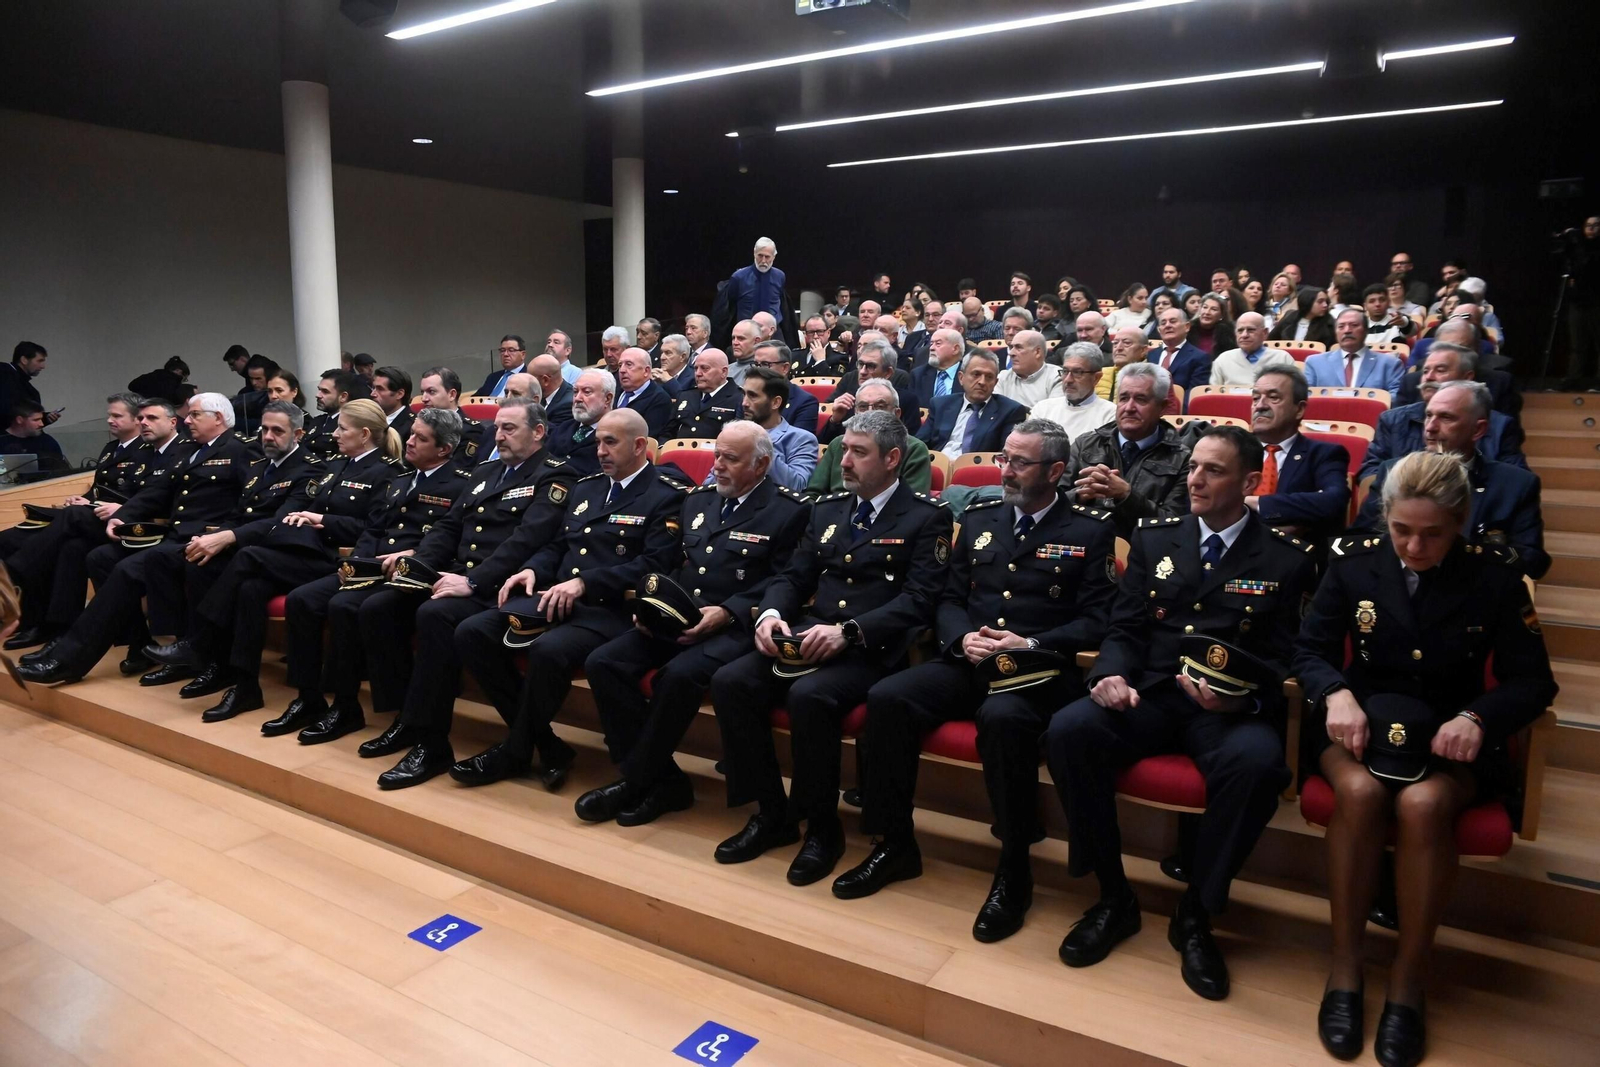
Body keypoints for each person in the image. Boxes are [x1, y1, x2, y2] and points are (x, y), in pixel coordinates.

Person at [1293, 450, 1556, 1065]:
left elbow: (1534, 682)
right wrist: (1334, 694)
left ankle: (1410, 980)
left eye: (1432, 533)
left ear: (1461, 521)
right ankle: (1346, 969)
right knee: (1357, 793)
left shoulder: (1494, 577)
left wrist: (1478, 717)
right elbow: (1308, 650)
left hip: (1449, 734)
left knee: (1423, 801)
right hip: (1359, 727)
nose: (1413, 546)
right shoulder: (1354, 565)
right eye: (1401, 530)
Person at [1048, 426, 1318, 1000]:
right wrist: (1109, 673)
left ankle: (1198, 911)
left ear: (1249, 482)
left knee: (1258, 767)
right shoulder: (1155, 538)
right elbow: (1125, 627)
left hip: (1229, 707)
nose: (1194, 478)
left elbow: (1288, 654)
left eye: (1212, 471)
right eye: (1193, 466)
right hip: (1151, 692)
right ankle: (1113, 896)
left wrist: (1245, 696)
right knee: (1071, 728)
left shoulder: (1285, 557)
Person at [836, 419, 1117, 939]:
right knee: (888, 697)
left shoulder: (1089, 529)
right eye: (1004, 458)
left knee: (1003, 718)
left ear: (1056, 471)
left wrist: (1030, 644)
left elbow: (1098, 620)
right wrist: (960, 638)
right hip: (970, 659)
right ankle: (894, 843)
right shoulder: (983, 518)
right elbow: (947, 598)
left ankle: (1014, 868)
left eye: (1019, 463)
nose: (1004, 471)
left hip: (1036, 672)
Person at [710, 410, 951, 885]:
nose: (845, 461)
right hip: (811, 632)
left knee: (810, 698)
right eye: (844, 450)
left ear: (893, 458)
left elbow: (921, 600)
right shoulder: (826, 509)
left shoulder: (926, 516)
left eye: (859, 452)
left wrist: (851, 631)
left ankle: (823, 829)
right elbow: (793, 576)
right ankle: (772, 812)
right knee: (730, 681)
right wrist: (773, 614)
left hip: (872, 648)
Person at [575, 421, 811, 826]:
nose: (717, 465)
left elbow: (786, 582)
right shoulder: (698, 500)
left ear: (762, 465)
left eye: (730, 459)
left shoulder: (789, 510)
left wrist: (729, 611)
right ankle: (664, 778)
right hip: (681, 615)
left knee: (677, 677)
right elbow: (669, 564)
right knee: (604, 663)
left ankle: (635, 780)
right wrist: (651, 605)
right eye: (716, 454)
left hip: (736, 624)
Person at [447, 409, 684, 793]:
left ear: (640, 445)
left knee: (549, 651)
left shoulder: (665, 495)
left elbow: (655, 565)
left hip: (612, 608)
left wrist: (584, 584)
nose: (601, 450)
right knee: (473, 631)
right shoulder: (588, 487)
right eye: (598, 442)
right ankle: (546, 743)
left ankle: (517, 749)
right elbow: (559, 544)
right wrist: (534, 570)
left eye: (611, 442)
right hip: (556, 594)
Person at [356, 397, 579, 785]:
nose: (499, 435)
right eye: (497, 427)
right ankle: (407, 717)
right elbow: (448, 526)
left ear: (539, 432)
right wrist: (419, 567)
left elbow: (526, 540)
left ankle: (431, 743)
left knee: (435, 615)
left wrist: (473, 582)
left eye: (510, 428)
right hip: (461, 575)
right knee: (381, 605)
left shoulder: (555, 475)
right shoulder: (486, 471)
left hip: (505, 584)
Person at [143, 399, 401, 721]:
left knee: (248, 557)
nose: (334, 433)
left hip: (335, 559)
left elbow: (373, 527)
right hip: (304, 552)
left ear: (364, 434)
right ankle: (247, 686)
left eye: (342, 428)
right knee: (250, 588)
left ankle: (199, 641)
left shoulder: (387, 473)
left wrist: (322, 520)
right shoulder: (335, 465)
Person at [17, 393, 274, 686]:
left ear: (218, 418)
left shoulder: (242, 450)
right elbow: (159, 491)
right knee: (101, 558)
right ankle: (142, 645)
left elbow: (251, 505)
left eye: (195, 414)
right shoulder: (192, 449)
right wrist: (123, 515)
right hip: (175, 537)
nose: (187, 420)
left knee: (128, 569)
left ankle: (67, 660)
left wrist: (223, 536)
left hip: (205, 541)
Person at [265, 407, 473, 742]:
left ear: (444, 449)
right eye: (412, 433)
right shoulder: (402, 479)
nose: (410, 441)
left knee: (349, 607)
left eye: (421, 438)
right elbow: (374, 528)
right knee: (302, 600)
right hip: (373, 566)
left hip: (414, 572)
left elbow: (456, 539)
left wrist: (415, 556)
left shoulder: (461, 484)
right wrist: (357, 565)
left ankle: (381, 711)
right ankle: (309, 697)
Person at [6, 399, 188, 652]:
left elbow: (149, 496)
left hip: (136, 526)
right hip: (108, 515)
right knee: (71, 547)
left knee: (70, 521)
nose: (110, 420)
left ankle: (17, 569)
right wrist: (88, 500)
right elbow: (104, 489)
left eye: (117, 415)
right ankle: (57, 628)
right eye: (108, 415)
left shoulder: (167, 451)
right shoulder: (113, 448)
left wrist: (116, 508)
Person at [1357, 382, 1548, 580]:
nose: (1430, 428)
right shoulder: (1392, 471)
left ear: (1478, 429)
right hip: (1395, 585)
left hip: (1475, 591)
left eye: (1446, 418)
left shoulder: (1515, 485)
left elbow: (1533, 560)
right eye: (1429, 415)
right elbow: (1358, 541)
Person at [1368, 343, 1526, 480]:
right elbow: (1371, 470)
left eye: (1440, 370)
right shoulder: (1392, 420)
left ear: (1467, 377)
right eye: (1425, 371)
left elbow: (1514, 480)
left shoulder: (1500, 426)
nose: (1429, 377)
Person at [1068, 362, 1191, 537]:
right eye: (1124, 398)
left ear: (1162, 407)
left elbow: (1175, 524)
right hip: (1082, 546)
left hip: (1145, 553)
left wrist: (1127, 495)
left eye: (1141, 399)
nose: (1129, 408)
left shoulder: (1182, 458)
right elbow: (1052, 503)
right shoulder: (1085, 444)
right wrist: (1079, 496)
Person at [1245, 364, 1350, 547]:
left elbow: (1333, 501)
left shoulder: (1324, 454)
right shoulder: (1234, 449)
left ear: (1299, 409)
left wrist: (1255, 502)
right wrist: (1299, 513)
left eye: (1273, 398)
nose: (1260, 406)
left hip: (1296, 557)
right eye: (1255, 398)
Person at [806, 380, 932, 498]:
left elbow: (912, 507)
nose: (869, 413)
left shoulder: (913, 449)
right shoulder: (838, 443)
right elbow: (813, 495)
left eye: (880, 407)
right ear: (855, 412)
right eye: (863, 407)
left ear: (896, 414)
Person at [918, 350, 1027, 459]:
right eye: (976, 374)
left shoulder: (1010, 411)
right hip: (936, 467)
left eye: (989, 377)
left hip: (977, 471)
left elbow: (1004, 456)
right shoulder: (941, 404)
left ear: (995, 382)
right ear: (961, 378)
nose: (982, 382)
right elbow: (919, 444)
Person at [824, 336, 920, 441]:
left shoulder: (907, 400)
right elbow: (825, 446)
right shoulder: (848, 399)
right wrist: (835, 420)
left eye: (870, 366)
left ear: (888, 372)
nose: (862, 371)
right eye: (860, 364)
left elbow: (908, 445)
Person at [738, 367, 818, 491]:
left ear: (775, 402)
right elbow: (710, 483)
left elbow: (797, 486)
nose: (744, 403)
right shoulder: (735, 434)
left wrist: (760, 443)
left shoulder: (801, 439)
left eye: (752, 396)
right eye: (744, 394)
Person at [715, 237, 798, 351]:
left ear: (774, 257)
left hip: (773, 331)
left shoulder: (780, 276)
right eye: (760, 255)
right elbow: (730, 304)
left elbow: (781, 301)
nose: (763, 260)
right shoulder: (738, 277)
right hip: (747, 332)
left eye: (767, 257)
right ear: (754, 253)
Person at [1303, 310, 1405, 392]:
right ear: (1335, 332)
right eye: (1341, 326)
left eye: (1354, 325)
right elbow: (1306, 397)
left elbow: (1395, 399)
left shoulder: (1389, 364)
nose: (1347, 330)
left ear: (1366, 331)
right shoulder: (1315, 363)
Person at [1031, 343, 1117, 440]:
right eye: (1065, 371)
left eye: (1077, 372)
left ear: (1096, 378)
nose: (1068, 380)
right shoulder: (1042, 409)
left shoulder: (1110, 414)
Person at [548, 368, 617, 475]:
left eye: (587, 392)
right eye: (575, 392)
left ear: (607, 399)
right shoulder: (564, 427)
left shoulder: (616, 436)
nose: (577, 398)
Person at [664, 350, 742, 441]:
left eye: (705, 368)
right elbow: (667, 433)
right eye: (696, 368)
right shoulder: (685, 396)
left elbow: (738, 439)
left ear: (723, 372)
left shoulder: (738, 398)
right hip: (680, 452)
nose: (698, 374)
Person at [1560, 216, 1600, 390]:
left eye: (1595, 225)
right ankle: (1573, 379)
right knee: (1577, 344)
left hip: (1597, 302)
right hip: (1578, 302)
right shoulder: (1576, 249)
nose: (1591, 228)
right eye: (1588, 225)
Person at [417, 367, 487, 463]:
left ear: (452, 395)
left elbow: (459, 471)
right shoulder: (420, 425)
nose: (424, 398)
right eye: (423, 392)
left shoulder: (470, 431)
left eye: (431, 392)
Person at [749, 341, 818, 434]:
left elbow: (798, 442)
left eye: (765, 364)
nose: (758, 371)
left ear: (785, 368)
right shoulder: (747, 396)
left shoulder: (804, 402)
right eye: (756, 365)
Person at [1208, 312, 1293, 386]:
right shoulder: (1223, 360)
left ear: (1265, 333)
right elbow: (1213, 397)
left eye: (1251, 330)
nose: (1244, 335)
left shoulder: (1282, 358)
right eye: (1240, 331)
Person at [1148, 305, 1211, 403]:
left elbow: (1193, 395)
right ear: (1159, 330)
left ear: (1187, 327)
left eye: (1173, 321)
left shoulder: (1200, 358)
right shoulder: (1151, 355)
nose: (1167, 325)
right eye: (1163, 323)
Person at [612, 347, 674, 439]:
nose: (622, 370)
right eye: (620, 365)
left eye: (629, 365)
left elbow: (647, 438)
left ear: (646, 371)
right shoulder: (613, 392)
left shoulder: (659, 399)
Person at [994, 330, 1062, 408]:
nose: (1011, 353)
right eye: (1012, 347)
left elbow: (1051, 414)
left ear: (1037, 352)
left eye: (1018, 348)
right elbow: (996, 413)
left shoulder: (1056, 377)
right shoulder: (1003, 377)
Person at [302, 369, 356, 458]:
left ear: (343, 397)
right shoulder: (318, 421)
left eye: (325, 391)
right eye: (319, 390)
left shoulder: (351, 423)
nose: (318, 395)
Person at [909, 327, 966, 409]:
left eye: (938, 343)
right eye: (931, 343)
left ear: (955, 349)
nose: (931, 348)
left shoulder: (969, 375)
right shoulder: (918, 375)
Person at [1269, 288, 1337, 349]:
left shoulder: (1330, 324)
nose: (1325, 305)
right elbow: (1271, 340)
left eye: (1326, 301)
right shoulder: (1290, 317)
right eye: (1320, 302)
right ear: (1307, 302)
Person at [527, 354, 575, 430]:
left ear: (545, 380)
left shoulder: (567, 405)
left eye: (531, 379)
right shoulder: (542, 394)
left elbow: (552, 436)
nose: (528, 384)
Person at [370, 366, 414, 444]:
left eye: (380, 389)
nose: (372, 394)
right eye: (373, 388)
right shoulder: (369, 418)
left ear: (399, 394)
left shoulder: (412, 426)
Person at [727, 319, 763, 388]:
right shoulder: (726, 370)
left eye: (741, 338)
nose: (735, 343)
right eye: (733, 338)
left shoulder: (761, 373)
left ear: (756, 341)